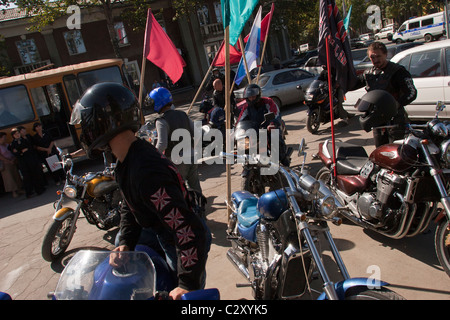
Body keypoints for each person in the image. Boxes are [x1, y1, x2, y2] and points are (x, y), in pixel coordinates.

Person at [69, 82, 210, 300]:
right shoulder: (127, 160)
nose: (83, 130)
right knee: (119, 247)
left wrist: (187, 284)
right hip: (158, 228)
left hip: (179, 240)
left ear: (101, 124)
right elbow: (129, 203)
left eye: (86, 123)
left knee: (180, 294)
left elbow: (188, 231)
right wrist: (125, 241)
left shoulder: (146, 171)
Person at [351, 41, 417, 147]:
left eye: (378, 56)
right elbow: (351, 84)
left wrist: (396, 104)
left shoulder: (398, 71)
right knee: (381, 153)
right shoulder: (368, 73)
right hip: (377, 121)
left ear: (385, 54)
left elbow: (412, 92)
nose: (376, 60)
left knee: (398, 153)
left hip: (396, 120)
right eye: (372, 57)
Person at [149, 87, 203, 195]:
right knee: (195, 187)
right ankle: (200, 209)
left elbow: (162, 144)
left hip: (176, 160)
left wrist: (152, 157)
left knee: (179, 189)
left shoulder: (161, 121)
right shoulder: (182, 114)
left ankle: (188, 210)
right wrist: (193, 148)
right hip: (191, 155)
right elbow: (197, 134)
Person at [236, 84, 290, 166]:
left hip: (269, 127)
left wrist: (272, 123)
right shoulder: (246, 107)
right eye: (249, 97)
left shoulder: (268, 102)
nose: (251, 99)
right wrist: (236, 131)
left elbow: (275, 113)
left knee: (275, 139)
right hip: (255, 130)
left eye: (253, 97)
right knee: (245, 145)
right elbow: (241, 119)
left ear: (258, 95)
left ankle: (284, 160)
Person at [9, 127, 46, 198]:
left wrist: (21, 151)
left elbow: (29, 148)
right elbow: (15, 152)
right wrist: (21, 152)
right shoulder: (13, 144)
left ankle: (39, 189)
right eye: (15, 134)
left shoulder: (25, 140)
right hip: (22, 162)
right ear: (13, 136)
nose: (17, 135)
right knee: (26, 177)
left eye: (18, 133)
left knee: (35, 174)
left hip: (30, 160)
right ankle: (29, 192)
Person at [0, 132, 23, 198]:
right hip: (5, 164)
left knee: (16, 175)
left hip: (12, 162)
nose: (5, 138)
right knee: (9, 178)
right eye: (4, 137)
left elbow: (12, 151)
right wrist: (8, 161)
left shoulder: (7, 145)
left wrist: (13, 159)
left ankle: (19, 189)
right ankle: (14, 192)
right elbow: (0, 156)